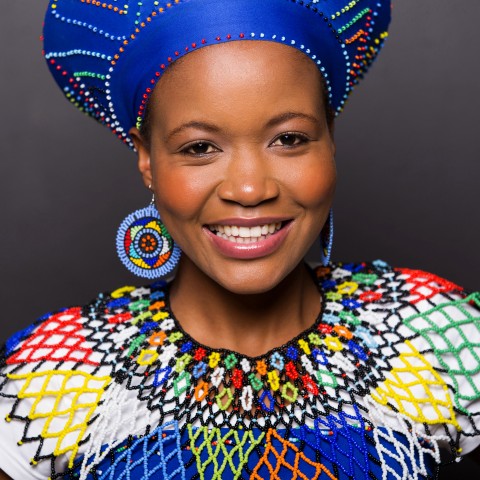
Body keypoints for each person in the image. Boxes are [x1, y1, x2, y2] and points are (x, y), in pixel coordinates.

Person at [0, 0, 479, 479]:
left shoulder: (437, 337)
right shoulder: (57, 375)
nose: (250, 189)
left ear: (329, 138)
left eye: (289, 139)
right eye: (200, 148)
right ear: (147, 159)